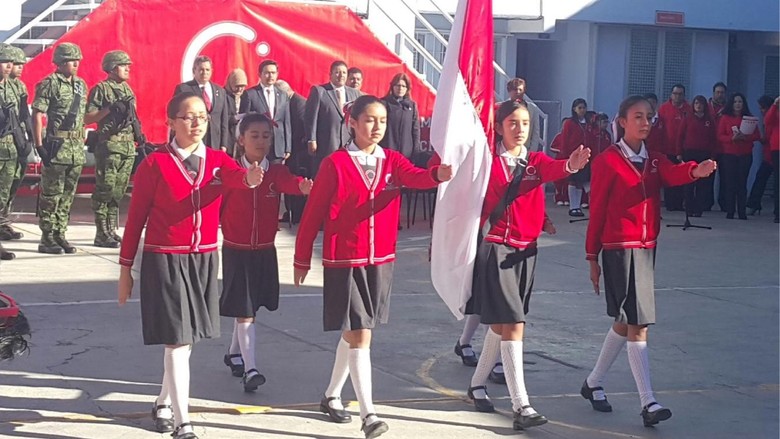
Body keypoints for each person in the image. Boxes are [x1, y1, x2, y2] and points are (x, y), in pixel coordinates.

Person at [293, 95, 452, 439]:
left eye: (381, 120)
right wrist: (302, 255)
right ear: (352, 122)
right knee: (360, 333)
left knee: (356, 332)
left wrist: (437, 174)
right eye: (369, 120)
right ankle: (369, 414)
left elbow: (417, 178)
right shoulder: (335, 163)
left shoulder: (392, 160)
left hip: (380, 259)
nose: (377, 127)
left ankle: (331, 395)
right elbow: (313, 212)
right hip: (345, 259)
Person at [118, 92, 264, 439]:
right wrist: (125, 269)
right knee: (178, 341)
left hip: (203, 259)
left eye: (202, 116)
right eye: (188, 117)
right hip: (165, 258)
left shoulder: (218, 160)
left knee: (188, 340)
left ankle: (164, 402)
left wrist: (249, 178)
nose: (197, 123)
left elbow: (236, 178)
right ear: (171, 122)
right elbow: (136, 219)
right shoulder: (154, 164)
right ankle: (183, 423)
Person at [582, 95, 716, 427]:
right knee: (638, 324)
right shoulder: (607, 161)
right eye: (637, 116)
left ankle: (593, 382)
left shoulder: (654, 160)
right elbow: (596, 210)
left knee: (626, 321)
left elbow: (671, 174)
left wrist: (694, 171)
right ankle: (648, 402)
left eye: (649, 117)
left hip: (645, 248)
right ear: (622, 121)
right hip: (617, 249)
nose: (645, 122)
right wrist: (591, 256)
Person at [465, 100, 590, 431]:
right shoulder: (487, 163)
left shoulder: (534, 161)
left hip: (527, 250)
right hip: (496, 248)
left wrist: (571, 166)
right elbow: (470, 204)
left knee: (501, 324)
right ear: (499, 127)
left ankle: (477, 384)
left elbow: (554, 169)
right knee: (514, 323)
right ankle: (522, 404)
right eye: (512, 123)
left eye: (525, 123)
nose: (520, 128)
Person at [220, 113, 312, 391]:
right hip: (237, 250)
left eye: (266, 136)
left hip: (264, 250)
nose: (261, 141)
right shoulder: (229, 170)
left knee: (251, 307)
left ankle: (234, 353)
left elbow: (289, 182)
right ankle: (251, 369)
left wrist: (302, 186)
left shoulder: (276, 171)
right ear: (241, 139)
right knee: (245, 309)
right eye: (254, 136)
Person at [31, 42, 87, 255]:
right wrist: (39, 145)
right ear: (61, 62)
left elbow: (82, 117)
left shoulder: (81, 85)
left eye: (77, 60)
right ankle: (47, 238)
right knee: (51, 196)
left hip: (75, 149)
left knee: (67, 196)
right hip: (57, 147)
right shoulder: (49, 84)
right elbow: (37, 114)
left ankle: (60, 234)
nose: (76, 64)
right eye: (72, 60)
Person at [84, 50, 143, 248]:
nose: (128, 68)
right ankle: (101, 233)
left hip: (127, 146)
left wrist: (139, 135)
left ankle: (110, 229)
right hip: (109, 145)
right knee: (105, 189)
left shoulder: (127, 89)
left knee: (118, 191)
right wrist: (109, 109)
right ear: (111, 67)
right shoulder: (101, 89)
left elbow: (132, 117)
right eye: (123, 65)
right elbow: (87, 118)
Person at [304, 60, 361, 175]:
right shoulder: (320, 91)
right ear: (330, 74)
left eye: (344, 73)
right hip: (326, 141)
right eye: (337, 72)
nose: (341, 76)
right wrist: (311, 139)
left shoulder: (354, 93)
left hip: (347, 141)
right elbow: (310, 117)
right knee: (325, 173)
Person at [717, 93, 761, 219]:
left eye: (740, 102)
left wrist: (745, 137)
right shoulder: (725, 118)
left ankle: (742, 211)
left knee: (742, 183)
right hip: (729, 155)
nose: (737, 104)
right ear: (731, 103)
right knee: (730, 183)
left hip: (745, 154)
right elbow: (720, 136)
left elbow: (757, 135)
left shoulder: (749, 118)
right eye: (735, 101)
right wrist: (732, 138)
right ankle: (730, 211)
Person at [173, 55, 230, 152]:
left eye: (207, 70)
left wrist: (224, 144)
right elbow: (176, 114)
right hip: (192, 140)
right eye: (201, 69)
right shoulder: (183, 89)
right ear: (194, 70)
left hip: (215, 142)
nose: (205, 73)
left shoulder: (220, 91)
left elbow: (224, 120)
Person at [239, 60, 291, 163]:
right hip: (258, 144)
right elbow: (244, 120)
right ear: (260, 74)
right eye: (267, 73)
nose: (270, 76)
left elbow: (286, 122)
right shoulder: (250, 94)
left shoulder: (283, 95)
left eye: (273, 73)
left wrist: (288, 147)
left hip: (278, 146)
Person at [5, 46, 33, 230]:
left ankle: (4, 222)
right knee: (3, 186)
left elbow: (24, 114)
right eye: (17, 64)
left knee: (14, 182)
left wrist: (30, 137)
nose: (20, 67)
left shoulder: (19, 87)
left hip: (18, 141)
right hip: (5, 140)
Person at [0, 44, 24, 259]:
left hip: (9, 149)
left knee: (3, 197)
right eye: (4, 61)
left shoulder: (12, 87)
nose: (10, 66)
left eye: (11, 62)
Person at [276, 79, 310, 224]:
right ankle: (291, 211)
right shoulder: (290, 102)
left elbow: (301, 130)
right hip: (290, 150)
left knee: (296, 182)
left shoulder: (299, 103)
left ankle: (297, 213)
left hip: (299, 152)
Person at [678, 95, 717, 217]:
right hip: (690, 153)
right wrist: (679, 153)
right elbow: (680, 136)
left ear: (705, 106)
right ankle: (689, 208)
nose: (698, 106)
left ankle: (699, 209)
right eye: (696, 103)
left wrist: (713, 156)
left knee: (703, 184)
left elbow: (713, 139)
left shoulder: (709, 120)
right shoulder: (688, 118)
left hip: (704, 154)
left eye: (700, 104)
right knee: (689, 182)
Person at [657, 84, 691, 212]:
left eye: (680, 94)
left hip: (683, 149)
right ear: (671, 95)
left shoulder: (689, 108)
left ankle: (680, 203)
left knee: (682, 177)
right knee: (669, 177)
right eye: (675, 94)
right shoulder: (664, 108)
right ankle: (670, 204)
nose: (677, 96)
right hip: (668, 148)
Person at [557, 98, 589, 216]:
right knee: (572, 180)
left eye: (584, 108)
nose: (582, 110)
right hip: (572, 155)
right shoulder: (570, 123)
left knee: (580, 181)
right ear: (574, 109)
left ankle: (578, 206)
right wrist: (565, 155)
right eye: (579, 108)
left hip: (584, 156)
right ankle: (573, 206)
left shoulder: (587, 123)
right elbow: (564, 140)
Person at [746, 95, 776, 216]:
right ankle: (754, 203)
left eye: (763, 108)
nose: (761, 111)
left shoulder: (771, 119)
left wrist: (761, 138)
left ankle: (753, 204)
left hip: (772, 154)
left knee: (761, 179)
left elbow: (769, 137)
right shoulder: (767, 119)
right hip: (768, 154)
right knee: (761, 179)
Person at [379, 73, 420, 159]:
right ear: (392, 87)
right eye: (398, 85)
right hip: (387, 151)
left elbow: (415, 130)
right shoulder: (382, 103)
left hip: (406, 153)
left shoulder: (412, 105)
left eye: (403, 86)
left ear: (407, 89)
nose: (400, 88)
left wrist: (416, 151)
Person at [505, 78, 543, 152]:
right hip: (506, 151)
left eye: (520, 90)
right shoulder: (501, 107)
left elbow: (535, 132)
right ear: (509, 91)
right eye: (515, 89)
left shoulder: (532, 108)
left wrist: (531, 152)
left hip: (525, 151)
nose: (518, 92)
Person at [224, 68, 247, 157]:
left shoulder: (246, 96)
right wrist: (234, 118)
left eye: (243, 86)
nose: (240, 89)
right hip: (229, 137)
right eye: (237, 86)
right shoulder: (224, 96)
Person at [764, 97, 780, 223]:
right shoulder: (776, 111)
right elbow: (767, 121)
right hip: (777, 148)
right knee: (778, 181)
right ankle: (778, 212)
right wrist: (775, 105)